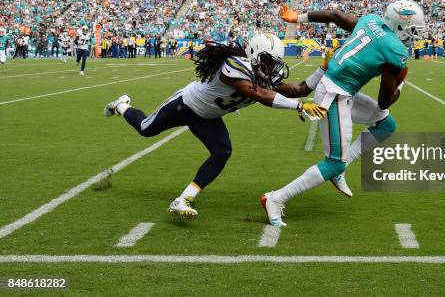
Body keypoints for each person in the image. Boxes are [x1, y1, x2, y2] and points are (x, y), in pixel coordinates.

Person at [103, 34, 328, 221]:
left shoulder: (263, 72)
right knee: (145, 129)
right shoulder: (234, 65)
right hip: (186, 105)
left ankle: (184, 199)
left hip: (209, 117)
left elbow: (298, 89)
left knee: (222, 151)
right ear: (254, 55)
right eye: (268, 60)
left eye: (274, 62)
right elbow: (257, 94)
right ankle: (121, 105)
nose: (271, 67)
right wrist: (298, 107)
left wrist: (323, 69)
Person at [261, 0, 425, 227]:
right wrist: (401, 84)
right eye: (413, 30)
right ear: (400, 25)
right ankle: (276, 198)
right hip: (335, 94)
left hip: (340, 89)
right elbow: (384, 100)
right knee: (334, 162)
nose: (414, 35)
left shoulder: (371, 20)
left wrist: (299, 17)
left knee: (386, 125)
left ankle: (341, 168)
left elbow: (335, 15)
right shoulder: (395, 50)